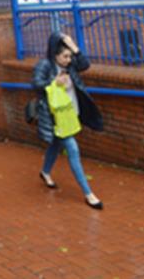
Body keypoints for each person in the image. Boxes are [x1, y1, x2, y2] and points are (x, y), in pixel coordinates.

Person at [34, 32, 105, 210]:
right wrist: (54, 81)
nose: (68, 59)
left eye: (69, 56)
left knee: (56, 145)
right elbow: (35, 84)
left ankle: (45, 172)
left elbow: (85, 64)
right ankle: (89, 194)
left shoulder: (71, 65)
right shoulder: (45, 65)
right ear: (54, 55)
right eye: (64, 56)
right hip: (55, 117)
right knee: (72, 149)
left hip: (71, 113)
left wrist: (74, 47)